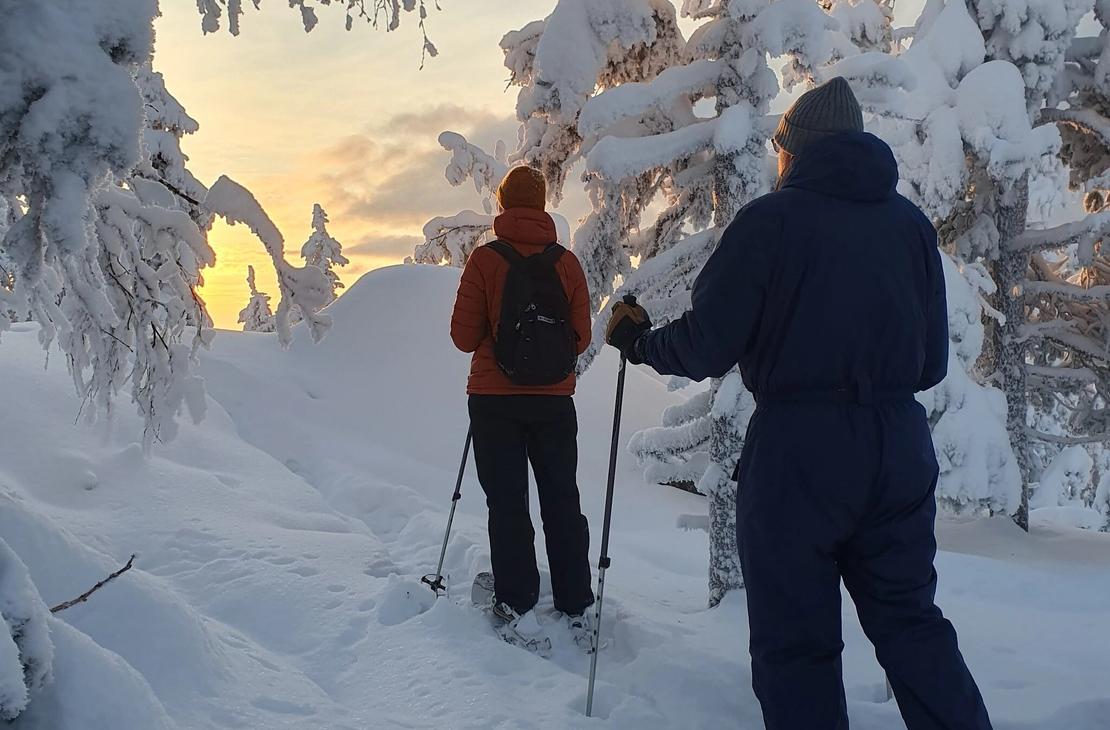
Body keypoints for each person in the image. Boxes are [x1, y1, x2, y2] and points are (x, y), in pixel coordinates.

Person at [606, 77, 993, 730]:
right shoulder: (910, 228)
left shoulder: (771, 223)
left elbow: (705, 346)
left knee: (797, 646)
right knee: (911, 625)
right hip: (898, 449)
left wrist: (639, 340)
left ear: (796, 151)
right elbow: (929, 363)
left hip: (798, 458)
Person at [450, 165, 595, 639]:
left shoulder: (485, 260)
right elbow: (581, 337)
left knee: (508, 502)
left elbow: (463, 336)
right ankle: (576, 599)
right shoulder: (566, 262)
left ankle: (516, 599)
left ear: (504, 204)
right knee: (561, 497)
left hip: (494, 401)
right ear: (543, 204)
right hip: (554, 402)